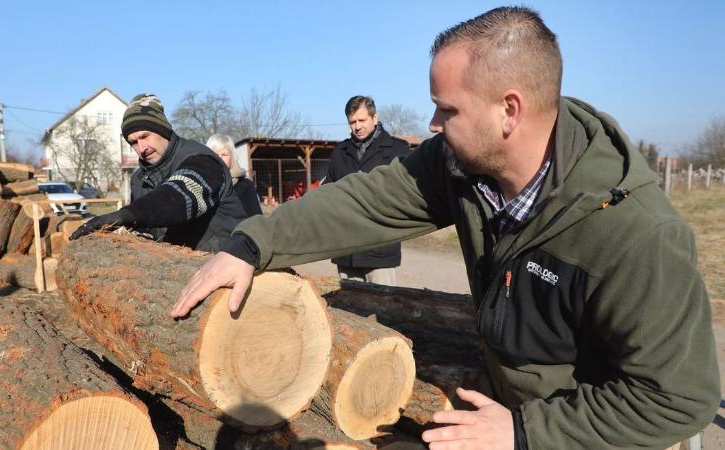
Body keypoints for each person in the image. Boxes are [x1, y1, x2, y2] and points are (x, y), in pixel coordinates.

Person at [170, 6, 719, 450]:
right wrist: (252, 243)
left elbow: (678, 399)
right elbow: (363, 201)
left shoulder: (635, 234)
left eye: (446, 110)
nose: (432, 125)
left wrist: (526, 433)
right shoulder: (460, 167)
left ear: (510, 110)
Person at [70, 94, 249, 252]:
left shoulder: (201, 160)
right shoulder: (139, 180)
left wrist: (128, 214)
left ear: (163, 130)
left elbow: (180, 197)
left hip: (226, 265)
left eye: (145, 136)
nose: (142, 148)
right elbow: (146, 232)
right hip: (173, 275)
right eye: (133, 142)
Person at [324, 96, 410, 286]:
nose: (357, 126)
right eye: (352, 122)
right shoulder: (340, 152)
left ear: (375, 118)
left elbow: (407, 195)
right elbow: (328, 193)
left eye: (362, 120)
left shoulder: (398, 149)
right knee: (348, 311)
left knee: (384, 309)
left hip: (380, 246)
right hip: (347, 249)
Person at [205, 134, 261, 217]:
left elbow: (256, 219)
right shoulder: (201, 184)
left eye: (224, 154)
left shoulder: (245, 185)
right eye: (215, 154)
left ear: (232, 157)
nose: (220, 158)